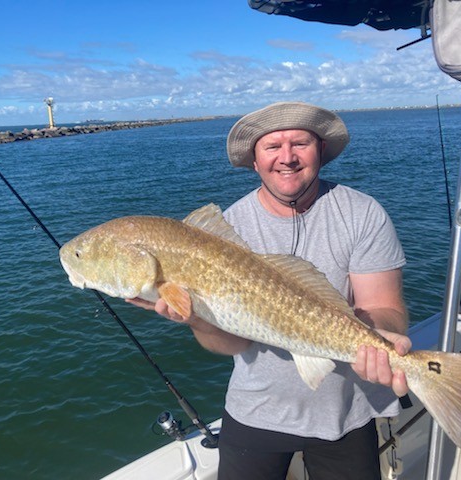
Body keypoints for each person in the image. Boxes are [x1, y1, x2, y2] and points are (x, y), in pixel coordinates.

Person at [128, 102, 411, 480]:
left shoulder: (363, 213)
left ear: (321, 151)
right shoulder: (224, 233)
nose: (287, 158)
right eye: (272, 147)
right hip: (256, 410)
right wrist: (196, 318)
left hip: (348, 410)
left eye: (300, 143)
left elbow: (384, 308)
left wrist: (377, 336)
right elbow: (233, 344)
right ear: (255, 160)